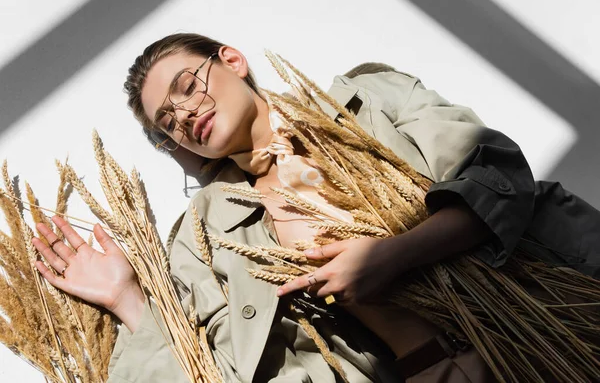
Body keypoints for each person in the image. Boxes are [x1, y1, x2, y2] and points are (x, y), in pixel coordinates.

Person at [31, 33, 600, 383]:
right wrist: (128, 299)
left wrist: (394, 255)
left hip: (559, 318)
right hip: (434, 372)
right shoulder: (209, 232)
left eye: (187, 86)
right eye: (169, 125)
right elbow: (222, 368)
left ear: (231, 60)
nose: (184, 115)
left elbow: (498, 173)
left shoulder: (367, 100)